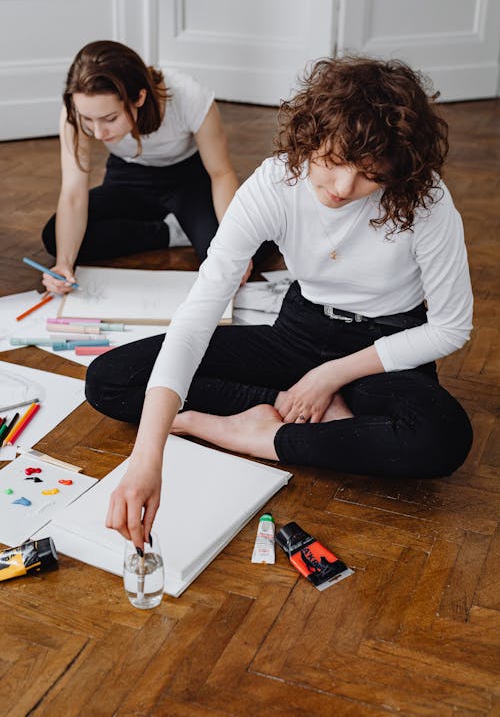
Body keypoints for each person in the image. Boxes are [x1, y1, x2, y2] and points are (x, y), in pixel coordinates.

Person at [86, 56, 474, 550]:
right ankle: (314, 419)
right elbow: (198, 314)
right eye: (332, 162)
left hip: (384, 346)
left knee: (441, 437)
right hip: (299, 332)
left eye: (370, 176)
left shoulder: (427, 201)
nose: (343, 189)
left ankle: (258, 436)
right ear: (310, 135)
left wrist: (329, 377)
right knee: (110, 381)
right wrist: (148, 455)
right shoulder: (274, 183)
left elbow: (450, 328)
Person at [40, 39, 251, 294]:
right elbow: (73, 194)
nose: (98, 132)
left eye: (110, 118)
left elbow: (221, 173)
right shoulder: (76, 109)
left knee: (240, 253)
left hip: (187, 178)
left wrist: (236, 248)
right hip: (128, 177)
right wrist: (64, 264)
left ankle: (187, 224)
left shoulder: (188, 95)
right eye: (88, 120)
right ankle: (169, 232)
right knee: (55, 237)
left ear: (139, 97)